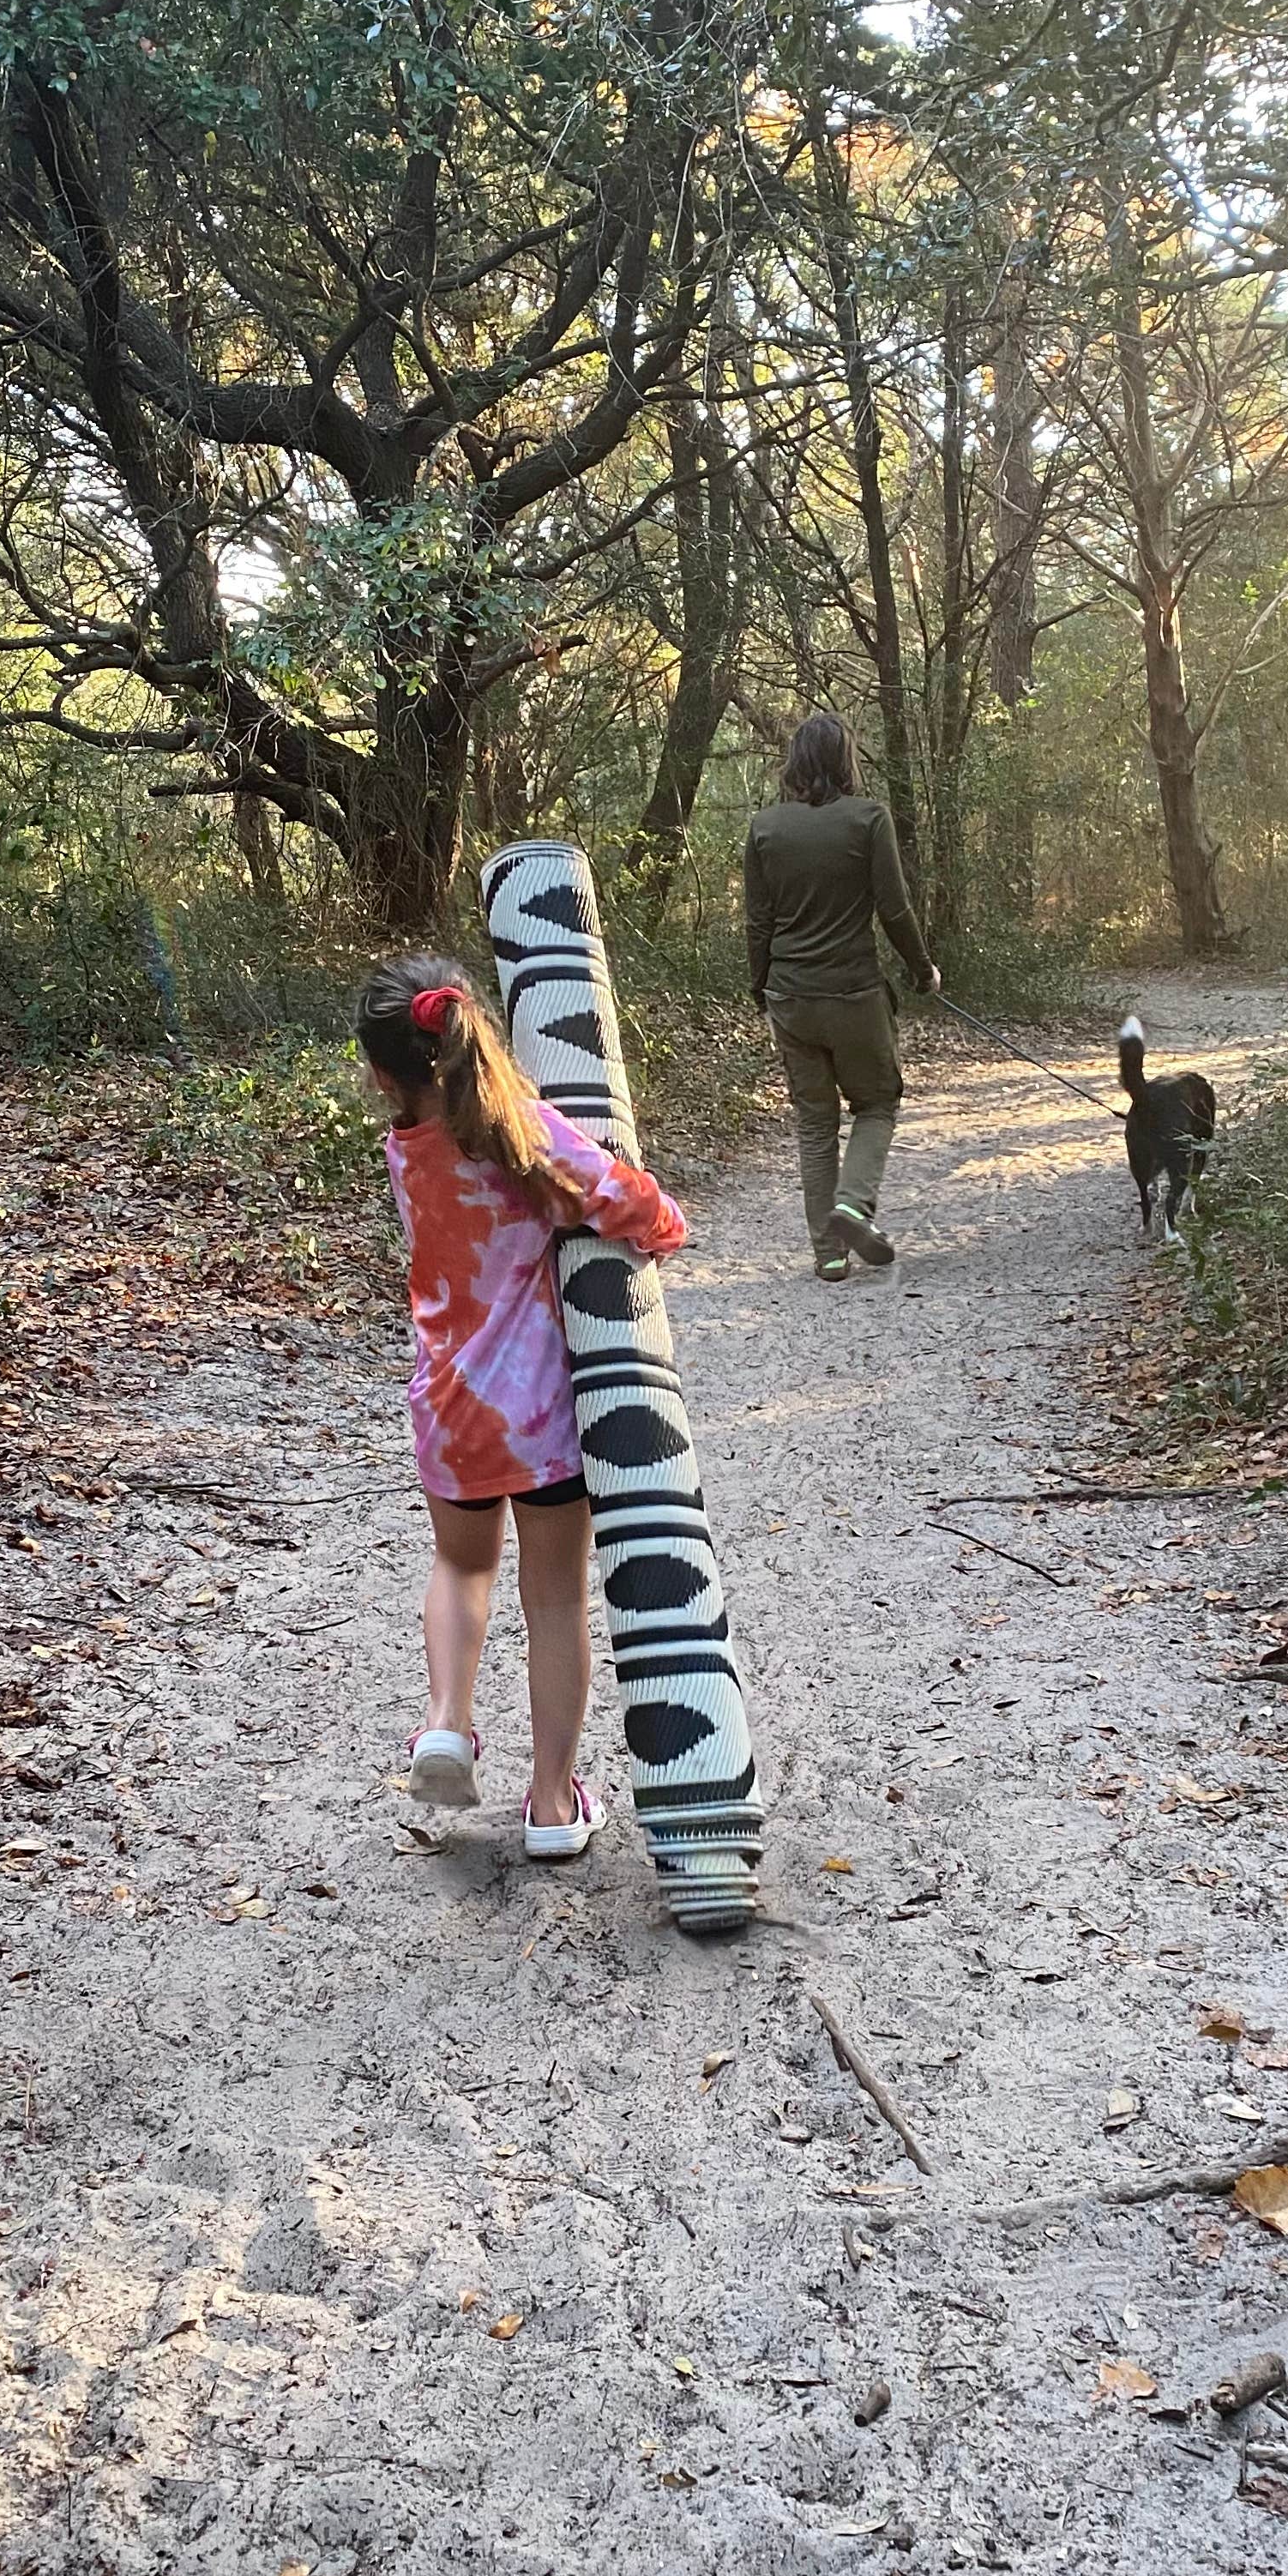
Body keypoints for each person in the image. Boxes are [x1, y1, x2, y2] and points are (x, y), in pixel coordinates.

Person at [356, 954, 686, 1855]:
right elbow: (619, 1195)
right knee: (553, 1599)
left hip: (450, 1409)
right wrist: (664, 1230)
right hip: (541, 1418)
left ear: (382, 1074)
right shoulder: (523, 1134)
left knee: (461, 1570)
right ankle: (550, 1803)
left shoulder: (404, 1148)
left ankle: (446, 1723)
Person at [743, 714, 942, 1280]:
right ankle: (854, 1202)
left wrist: (762, 987)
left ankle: (829, 1253)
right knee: (877, 1102)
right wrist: (922, 969)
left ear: (795, 764)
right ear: (844, 760)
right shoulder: (868, 819)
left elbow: (758, 923)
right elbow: (894, 907)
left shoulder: (764, 828)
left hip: (789, 994)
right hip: (853, 993)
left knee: (814, 1121)